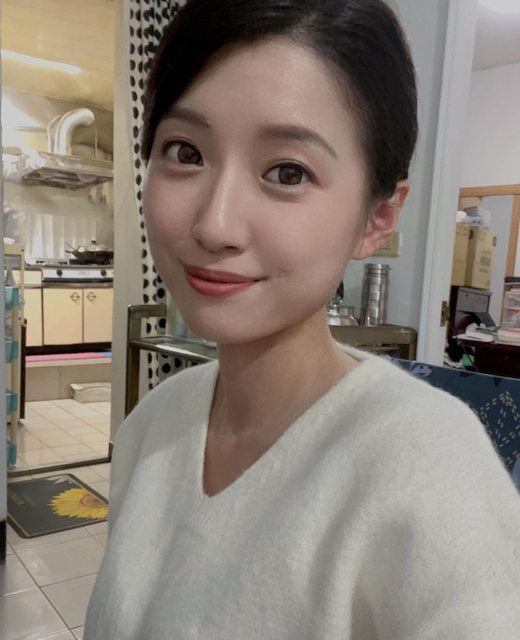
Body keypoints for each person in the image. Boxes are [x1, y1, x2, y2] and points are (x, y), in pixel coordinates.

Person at [85, 0, 520, 638]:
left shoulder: (429, 471)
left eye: (287, 171)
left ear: (378, 216)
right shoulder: (153, 426)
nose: (215, 225)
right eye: (185, 151)